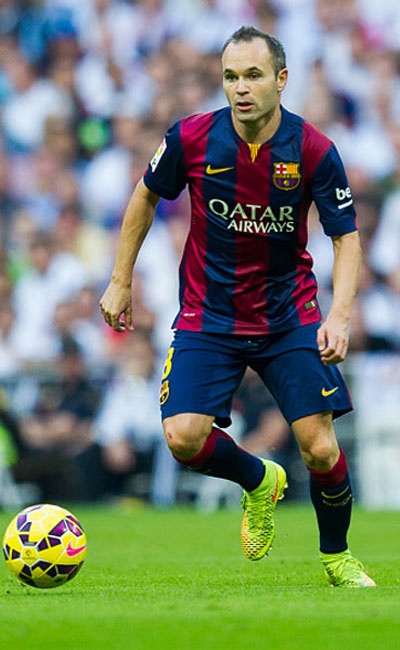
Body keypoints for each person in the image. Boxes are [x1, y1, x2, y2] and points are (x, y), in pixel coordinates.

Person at [99, 25, 375, 588]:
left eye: (253, 75)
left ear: (281, 79)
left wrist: (340, 314)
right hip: (209, 315)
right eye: (230, 77)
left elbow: (345, 237)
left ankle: (338, 557)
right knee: (183, 437)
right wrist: (120, 279)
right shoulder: (192, 138)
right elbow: (146, 195)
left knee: (320, 448)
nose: (241, 88)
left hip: (288, 315)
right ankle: (259, 480)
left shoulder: (313, 150)